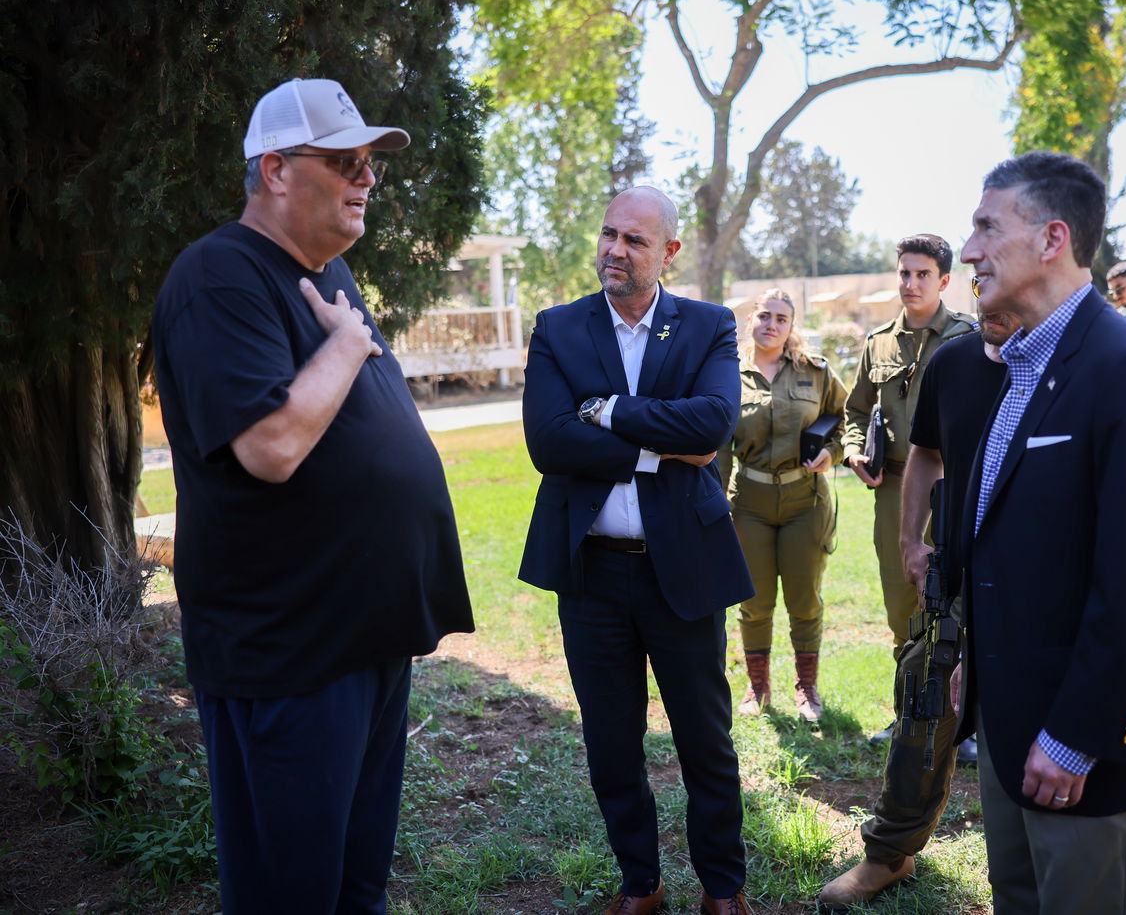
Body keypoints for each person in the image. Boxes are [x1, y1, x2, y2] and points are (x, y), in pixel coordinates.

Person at [151, 78, 474, 914]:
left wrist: (347, 327)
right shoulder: (219, 274)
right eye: (345, 161)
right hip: (287, 658)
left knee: (354, 888)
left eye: (371, 163)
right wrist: (346, 343)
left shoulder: (331, 275)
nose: (368, 178)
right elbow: (271, 444)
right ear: (277, 169)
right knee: (288, 895)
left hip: (363, 639)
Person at [955, 151, 1126, 914]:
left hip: (1081, 746)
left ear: (1051, 239)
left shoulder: (1125, 366)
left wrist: (1076, 734)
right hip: (1012, 724)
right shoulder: (1020, 363)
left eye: (985, 226)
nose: (969, 249)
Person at [518, 186, 753, 915]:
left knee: (705, 739)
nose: (615, 250)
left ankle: (723, 887)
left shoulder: (707, 326)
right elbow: (549, 441)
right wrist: (662, 448)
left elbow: (714, 423)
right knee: (611, 743)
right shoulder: (558, 328)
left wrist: (611, 412)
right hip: (591, 572)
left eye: (635, 240)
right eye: (608, 233)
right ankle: (640, 882)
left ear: (669, 252)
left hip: (680, 566)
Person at [818, 308, 1019, 908]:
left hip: (1038, 577)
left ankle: (1033, 864)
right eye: (980, 280)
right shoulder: (954, 363)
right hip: (955, 565)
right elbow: (925, 450)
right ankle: (890, 853)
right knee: (923, 697)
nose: (990, 295)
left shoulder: (1087, 359)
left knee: (1028, 720)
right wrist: (912, 539)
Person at [840, 234, 976, 741]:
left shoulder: (968, 337)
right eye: (904, 273)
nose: (911, 283)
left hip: (957, 488)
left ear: (944, 281)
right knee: (903, 600)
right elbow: (855, 411)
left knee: (960, 600)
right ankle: (910, 714)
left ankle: (965, 720)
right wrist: (855, 449)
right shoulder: (877, 342)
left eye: (922, 275)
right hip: (895, 489)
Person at [724, 289, 848, 722]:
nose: (771, 324)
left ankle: (806, 688)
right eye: (764, 315)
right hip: (749, 502)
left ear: (791, 326)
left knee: (804, 599)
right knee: (754, 601)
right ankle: (758, 688)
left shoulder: (815, 373)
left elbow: (846, 419)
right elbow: (719, 444)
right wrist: (715, 502)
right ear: (750, 321)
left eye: (781, 318)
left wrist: (834, 451)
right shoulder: (727, 374)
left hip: (805, 501)